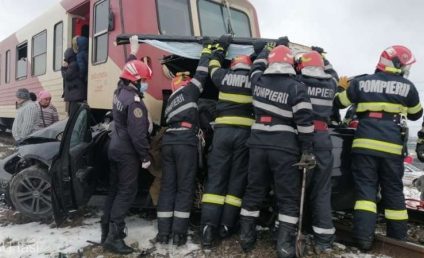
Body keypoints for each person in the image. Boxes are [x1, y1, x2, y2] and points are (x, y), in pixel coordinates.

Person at [334, 45, 422, 250]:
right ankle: (397, 239)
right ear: (398, 64)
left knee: (365, 192)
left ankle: (363, 240)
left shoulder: (361, 83)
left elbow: (339, 102)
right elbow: (416, 114)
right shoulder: (407, 86)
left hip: (364, 145)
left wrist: (341, 87)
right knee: (393, 190)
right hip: (392, 148)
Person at [239, 42, 316, 258]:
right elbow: (305, 123)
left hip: (257, 144)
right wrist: (307, 149)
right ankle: (285, 246)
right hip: (284, 147)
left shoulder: (258, 80)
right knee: (288, 197)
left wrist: (264, 49)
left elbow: (255, 67)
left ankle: (246, 239)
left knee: (253, 191)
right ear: (291, 64)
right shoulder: (296, 87)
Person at [155, 40, 212, 246]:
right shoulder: (189, 92)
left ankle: (163, 233)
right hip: (184, 142)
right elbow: (203, 73)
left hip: (168, 142)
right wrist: (207, 51)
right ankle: (179, 234)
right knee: (185, 188)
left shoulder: (171, 101)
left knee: (168, 187)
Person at [200, 34, 254, 247]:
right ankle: (226, 226)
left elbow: (212, 66)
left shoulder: (223, 76)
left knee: (216, 180)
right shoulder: (254, 79)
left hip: (222, 133)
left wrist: (220, 47)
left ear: (233, 65)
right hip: (245, 135)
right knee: (236, 180)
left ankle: (207, 229)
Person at [101, 36, 152, 253]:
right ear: (136, 80)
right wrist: (145, 157)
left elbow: (127, 69)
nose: (146, 84)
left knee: (114, 191)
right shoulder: (135, 101)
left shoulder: (120, 91)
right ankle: (114, 237)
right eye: (144, 80)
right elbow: (138, 134)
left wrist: (133, 51)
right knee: (126, 192)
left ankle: (106, 230)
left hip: (114, 147)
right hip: (128, 153)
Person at [294, 51, 337, 253]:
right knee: (321, 190)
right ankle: (324, 240)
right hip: (324, 139)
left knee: (295, 188)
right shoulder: (331, 84)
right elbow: (333, 74)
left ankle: (291, 231)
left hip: (303, 138)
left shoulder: (298, 81)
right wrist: (324, 58)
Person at [61, 47, 86, 116]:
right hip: (75, 95)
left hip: (75, 95)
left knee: (73, 115)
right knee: (72, 113)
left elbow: (66, 76)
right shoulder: (74, 64)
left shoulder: (73, 65)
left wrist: (63, 68)